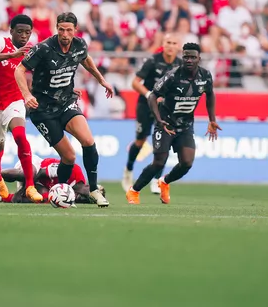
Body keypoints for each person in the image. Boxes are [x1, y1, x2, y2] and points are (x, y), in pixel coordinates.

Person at [14, 12, 112, 207]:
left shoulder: (80, 45)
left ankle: (93, 190)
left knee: (88, 141)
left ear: (75, 30)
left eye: (69, 30)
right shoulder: (43, 49)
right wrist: (27, 95)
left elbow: (86, 59)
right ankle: (59, 190)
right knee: (69, 156)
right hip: (43, 110)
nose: (65, 34)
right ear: (56, 29)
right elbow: (19, 69)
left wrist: (101, 80)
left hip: (67, 102)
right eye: (61, 29)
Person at [126, 43, 221, 205]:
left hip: (185, 126)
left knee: (186, 163)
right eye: (186, 57)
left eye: (192, 57)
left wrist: (212, 119)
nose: (189, 60)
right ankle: (134, 191)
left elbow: (210, 95)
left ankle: (164, 182)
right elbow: (152, 96)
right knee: (158, 163)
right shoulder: (172, 75)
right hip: (166, 124)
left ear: (199, 58)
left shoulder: (205, 76)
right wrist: (158, 119)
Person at [0, 14, 42, 203]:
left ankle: (30, 185)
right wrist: (11, 55)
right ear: (11, 31)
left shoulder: (31, 52)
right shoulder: (1, 42)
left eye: (28, 33)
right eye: (20, 32)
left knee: (19, 136)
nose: (24, 36)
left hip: (14, 101)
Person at [122, 34, 181, 193]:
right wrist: (149, 95)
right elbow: (134, 83)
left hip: (165, 109)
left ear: (178, 46)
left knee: (164, 142)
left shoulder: (180, 65)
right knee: (140, 141)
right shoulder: (152, 61)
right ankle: (128, 170)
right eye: (168, 42)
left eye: (174, 43)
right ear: (163, 44)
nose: (170, 45)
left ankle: (156, 180)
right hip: (145, 104)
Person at [0, 156, 104, 205]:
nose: (84, 195)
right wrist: (25, 188)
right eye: (88, 192)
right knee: (24, 174)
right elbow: (41, 172)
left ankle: (0, 198)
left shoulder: (71, 196)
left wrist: (20, 195)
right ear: (88, 186)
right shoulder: (75, 171)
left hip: (36, 186)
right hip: (36, 166)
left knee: (42, 198)